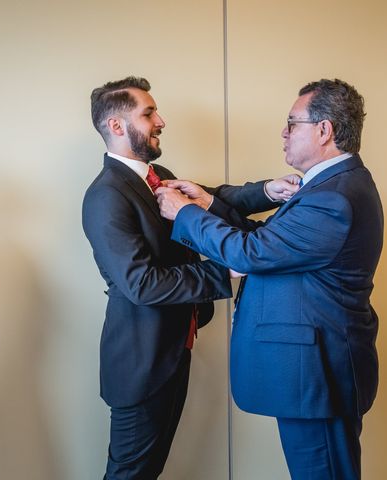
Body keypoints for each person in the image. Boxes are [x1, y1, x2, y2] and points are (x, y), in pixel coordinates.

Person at [157, 78, 383, 479]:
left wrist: (184, 213)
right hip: (310, 372)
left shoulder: (333, 197)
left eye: (292, 122)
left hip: (316, 376)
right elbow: (269, 243)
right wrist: (207, 202)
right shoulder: (332, 186)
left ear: (324, 130)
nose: (284, 132)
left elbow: (251, 253)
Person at [82, 76, 298, 479]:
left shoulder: (155, 173)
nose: (160, 120)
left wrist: (268, 191)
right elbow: (141, 284)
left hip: (173, 351)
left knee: (150, 470)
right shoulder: (106, 195)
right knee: (130, 473)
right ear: (116, 125)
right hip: (139, 363)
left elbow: (207, 197)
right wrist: (230, 267)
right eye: (148, 113)